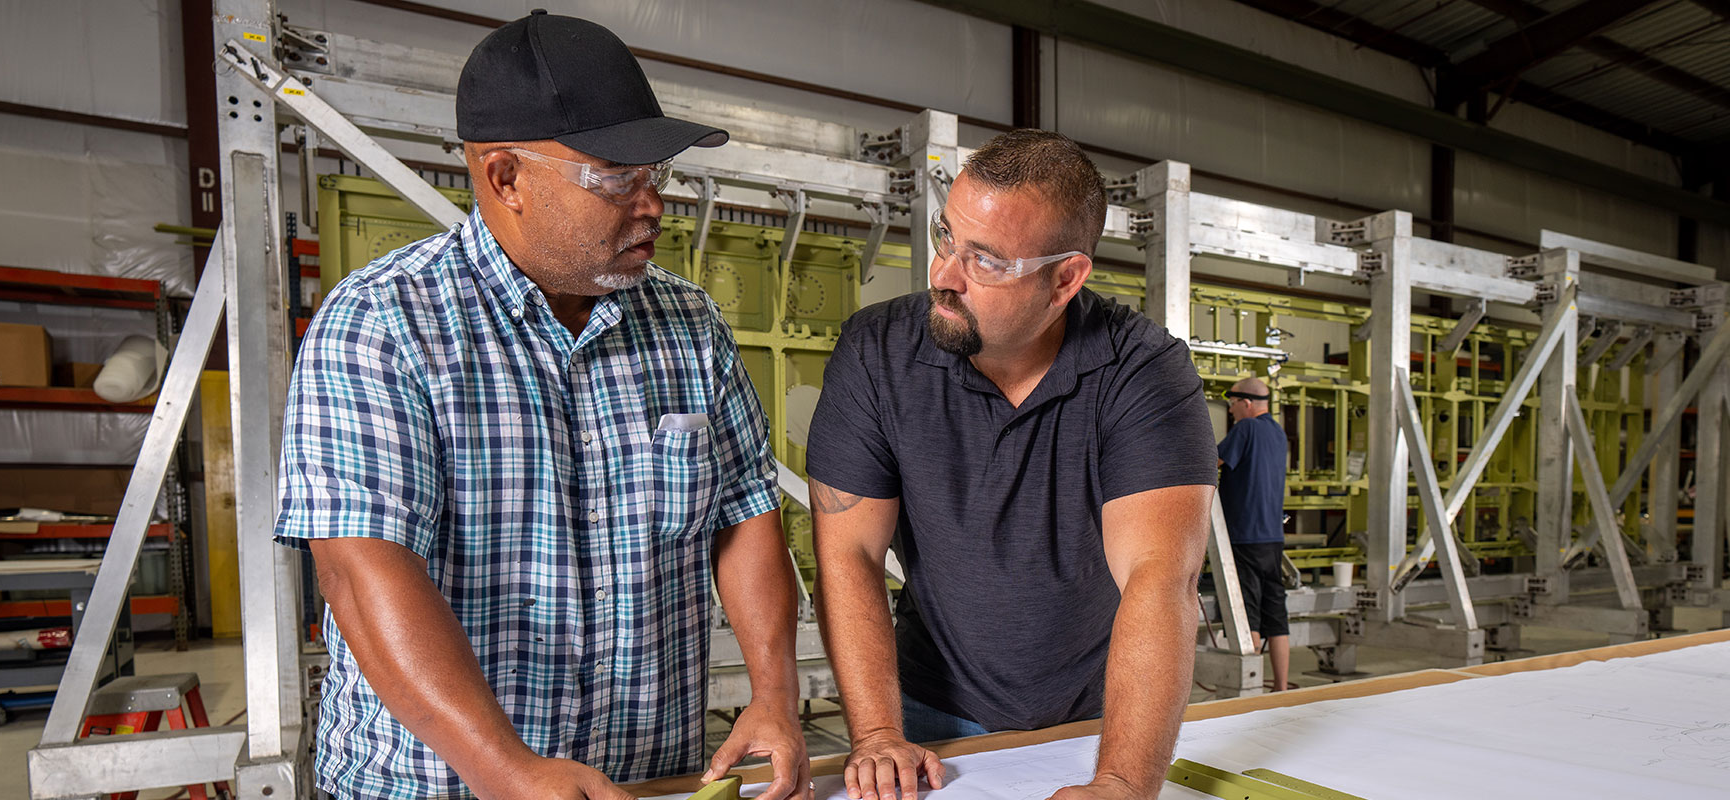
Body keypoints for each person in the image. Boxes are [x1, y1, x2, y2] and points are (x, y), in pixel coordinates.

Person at [274, 12, 808, 800]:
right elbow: (362, 573)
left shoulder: (689, 326)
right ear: (505, 178)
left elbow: (746, 514)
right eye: (617, 179)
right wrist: (503, 766)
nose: (653, 204)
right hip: (440, 785)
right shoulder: (385, 324)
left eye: (656, 175)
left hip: (648, 775)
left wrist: (773, 693)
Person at [807, 129, 1219, 800]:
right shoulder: (877, 352)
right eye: (946, 237)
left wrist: (1121, 780)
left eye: (986, 261)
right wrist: (877, 734)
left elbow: (1160, 577)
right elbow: (848, 552)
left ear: (1065, 278)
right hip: (924, 717)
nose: (942, 274)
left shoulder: (1143, 370)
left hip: (1099, 720)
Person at [1217, 377, 1292, 692]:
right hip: (1273, 538)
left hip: (1244, 537)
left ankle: (1253, 690)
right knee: (1276, 612)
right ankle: (1281, 687)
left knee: (1248, 615)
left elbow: (1210, 462)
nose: (1231, 411)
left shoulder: (1245, 430)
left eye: (1232, 404)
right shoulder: (1278, 433)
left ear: (1245, 403)